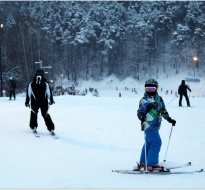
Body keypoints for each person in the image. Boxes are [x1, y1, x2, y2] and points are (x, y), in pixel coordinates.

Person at [135, 79, 176, 172]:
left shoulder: (159, 99)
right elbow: (140, 111)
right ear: (145, 89)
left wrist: (169, 119)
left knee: (149, 143)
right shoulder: (144, 100)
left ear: (156, 88)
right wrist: (141, 116)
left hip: (156, 125)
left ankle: (143, 163)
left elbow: (163, 110)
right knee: (156, 142)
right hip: (148, 125)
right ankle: (152, 164)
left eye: (152, 89)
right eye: (148, 89)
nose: (149, 91)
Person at [25, 69, 56, 135]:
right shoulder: (46, 84)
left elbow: (28, 94)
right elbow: (49, 93)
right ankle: (51, 128)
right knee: (45, 114)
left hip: (34, 102)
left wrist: (27, 102)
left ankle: (33, 126)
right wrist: (51, 100)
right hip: (44, 102)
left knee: (34, 113)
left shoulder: (31, 84)